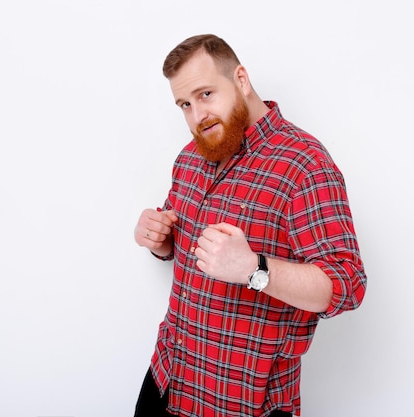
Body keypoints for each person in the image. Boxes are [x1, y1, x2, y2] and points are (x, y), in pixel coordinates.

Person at [133, 34, 367, 417]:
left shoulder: (304, 165)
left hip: (245, 401)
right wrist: (158, 239)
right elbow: (180, 239)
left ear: (241, 79)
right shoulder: (192, 156)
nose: (197, 116)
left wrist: (254, 270)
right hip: (169, 377)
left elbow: (348, 284)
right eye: (185, 104)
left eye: (206, 94)